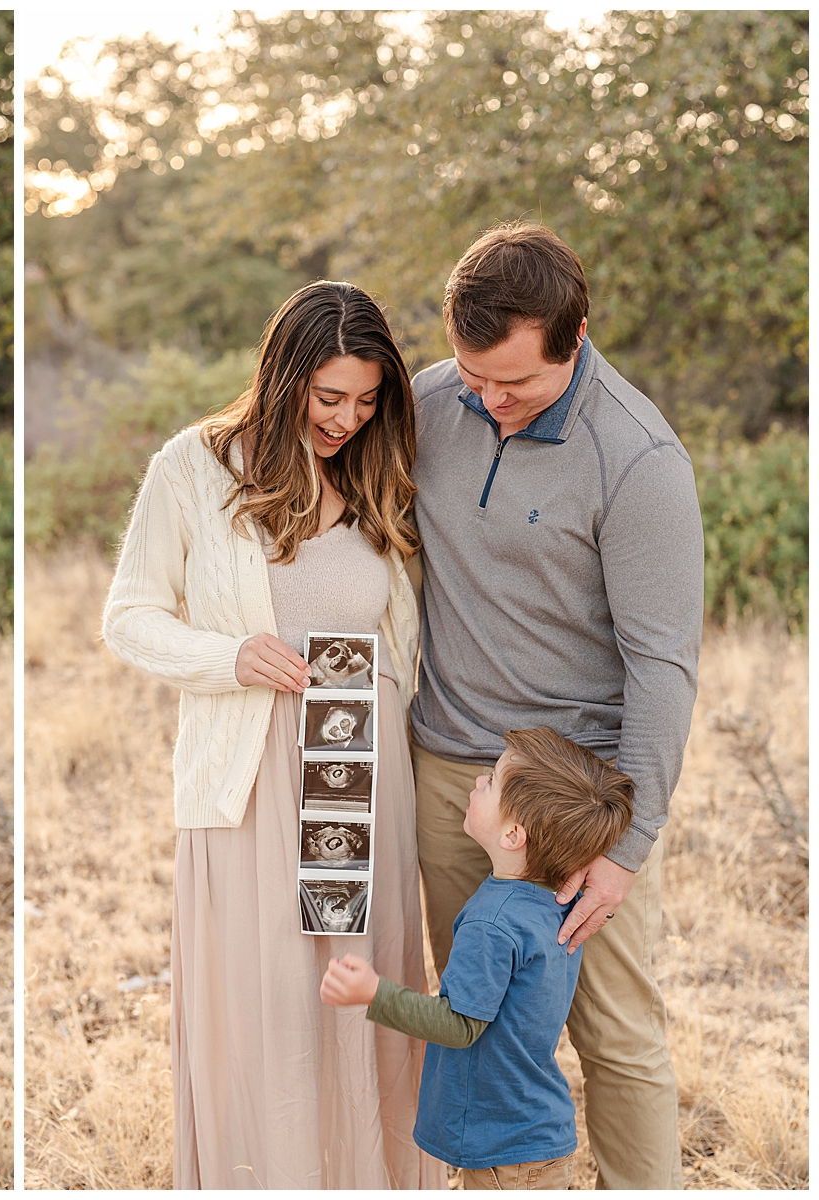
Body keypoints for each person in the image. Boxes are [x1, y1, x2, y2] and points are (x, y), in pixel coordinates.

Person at [102, 280, 446, 1188]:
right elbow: (128, 617)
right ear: (283, 375)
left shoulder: (379, 470)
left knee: (355, 991)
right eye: (329, 396)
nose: (346, 418)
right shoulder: (194, 467)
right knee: (267, 1007)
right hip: (250, 782)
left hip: (362, 774)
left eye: (368, 400)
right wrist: (230, 656)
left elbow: (405, 637)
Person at [408, 223, 703, 1188]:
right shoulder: (429, 402)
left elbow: (663, 666)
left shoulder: (637, 457)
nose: (487, 401)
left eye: (515, 384)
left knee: (616, 1036)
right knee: (474, 1027)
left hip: (577, 799)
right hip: (452, 780)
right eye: (471, 374)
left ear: (575, 339)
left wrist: (626, 850)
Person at [322, 727, 635, 1190]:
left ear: (513, 834)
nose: (476, 782)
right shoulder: (552, 903)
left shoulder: (493, 923)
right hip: (532, 1135)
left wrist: (375, 993)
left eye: (490, 781)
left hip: (504, 1148)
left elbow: (459, 1025)